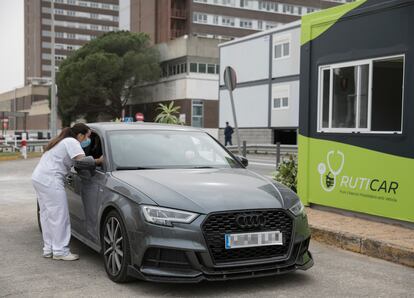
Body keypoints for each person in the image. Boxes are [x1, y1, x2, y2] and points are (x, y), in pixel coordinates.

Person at [32, 123, 103, 261]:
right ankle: (60, 251)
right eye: (87, 136)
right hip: (51, 180)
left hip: (39, 178)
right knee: (60, 216)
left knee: (47, 215)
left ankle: (49, 248)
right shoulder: (72, 141)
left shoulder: (62, 140)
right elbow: (81, 162)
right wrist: (99, 160)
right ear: (80, 135)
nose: (87, 140)